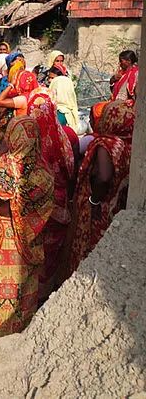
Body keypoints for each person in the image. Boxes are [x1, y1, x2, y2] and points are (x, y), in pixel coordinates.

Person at [0, 116, 54, 346]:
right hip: (29, 241)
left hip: (2, 236)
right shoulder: (43, 171)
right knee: (22, 290)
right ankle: (17, 338)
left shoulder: (0, 168)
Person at [65, 100, 135, 275]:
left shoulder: (106, 144)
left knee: (85, 252)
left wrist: (93, 200)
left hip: (97, 210)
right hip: (115, 209)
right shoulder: (130, 146)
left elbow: (103, 177)